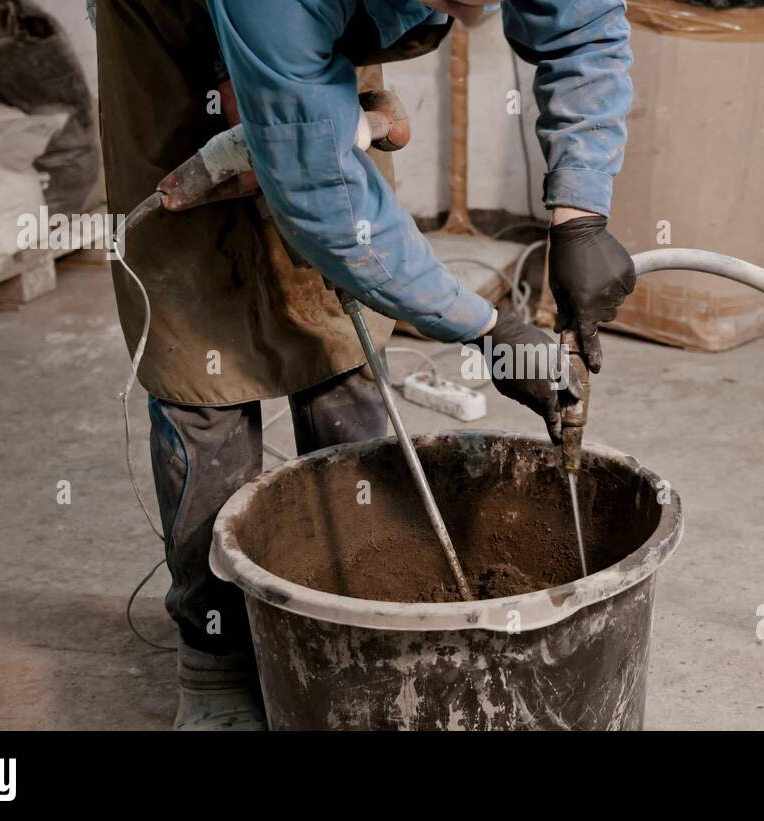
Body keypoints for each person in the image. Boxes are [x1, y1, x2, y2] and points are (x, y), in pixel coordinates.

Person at [94, 0, 635, 729]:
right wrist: (486, 326)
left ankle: (363, 612)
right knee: (202, 365)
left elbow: (584, 26)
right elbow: (321, 195)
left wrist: (582, 213)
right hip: (176, 29)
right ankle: (214, 652)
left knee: (341, 346)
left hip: (317, 44)